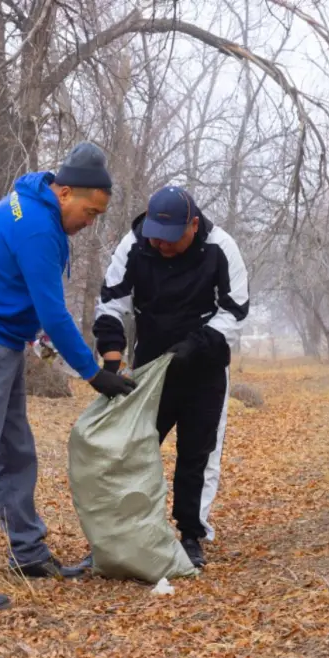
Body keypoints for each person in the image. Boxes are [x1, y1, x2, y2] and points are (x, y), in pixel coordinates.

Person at [0, 142, 137, 609]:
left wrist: (46, 350)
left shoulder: (33, 204)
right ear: (64, 192)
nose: (90, 222)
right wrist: (92, 373)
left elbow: (30, 303)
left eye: (98, 215)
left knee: (14, 449)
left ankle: (27, 552)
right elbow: (53, 311)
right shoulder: (39, 228)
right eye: (89, 211)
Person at [90, 185, 250, 570]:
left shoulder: (220, 247)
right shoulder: (135, 243)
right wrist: (112, 360)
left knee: (197, 453)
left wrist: (196, 345)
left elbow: (235, 311)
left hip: (205, 366)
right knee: (135, 450)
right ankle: (124, 534)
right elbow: (111, 302)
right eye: (155, 237)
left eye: (170, 238)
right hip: (150, 366)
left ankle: (191, 534)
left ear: (193, 225)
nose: (161, 245)